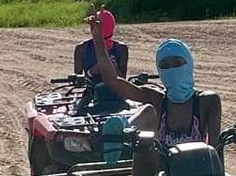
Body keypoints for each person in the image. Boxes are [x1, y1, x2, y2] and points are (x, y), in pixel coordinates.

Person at [85, 12, 223, 146]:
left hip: (198, 168)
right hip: (162, 168)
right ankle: (121, 130)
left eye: (177, 63)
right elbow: (113, 81)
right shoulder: (157, 100)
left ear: (189, 63)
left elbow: (215, 149)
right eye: (165, 66)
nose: (172, 70)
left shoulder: (208, 101)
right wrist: (98, 40)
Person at [72, 8, 130, 78]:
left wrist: (114, 69)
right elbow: (77, 82)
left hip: (112, 88)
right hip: (91, 88)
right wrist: (92, 72)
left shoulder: (121, 49)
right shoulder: (81, 49)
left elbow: (123, 80)